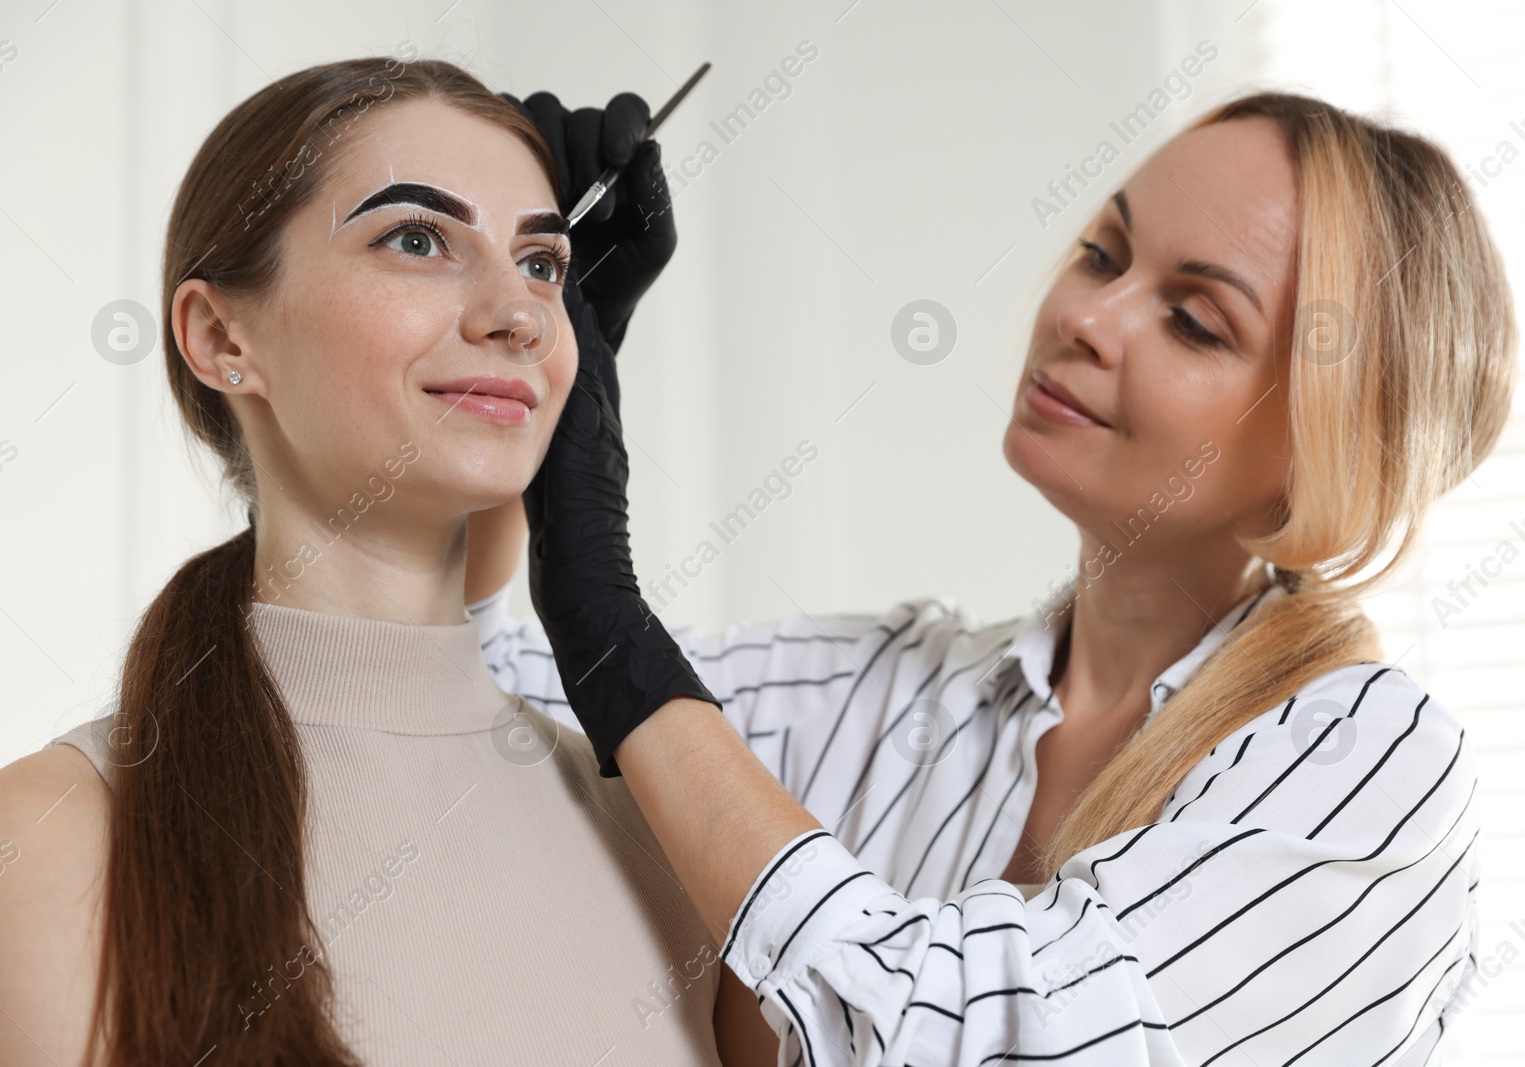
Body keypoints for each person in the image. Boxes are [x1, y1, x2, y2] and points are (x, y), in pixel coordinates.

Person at [477, 90, 1518, 1064]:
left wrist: (602, 603)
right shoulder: (888, 686)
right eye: (1101, 253)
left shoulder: (1367, 766)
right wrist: (538, 356)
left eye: (1195, 319)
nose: (1088, 318)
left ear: (1324, 455)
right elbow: (459, 707)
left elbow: (983, 1034)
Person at [0, 56, 770, 1066]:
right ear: (220, 335)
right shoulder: (42, 847)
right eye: (417, 239)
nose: (519, 312)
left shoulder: (680, 845)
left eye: (543, 263)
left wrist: (610, 618)